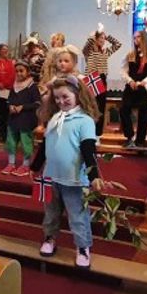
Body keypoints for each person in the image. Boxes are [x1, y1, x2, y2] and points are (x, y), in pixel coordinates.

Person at [31, 76, 104, 268]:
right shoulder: (54, 118)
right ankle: (49, 238)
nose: (61, 101)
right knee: (51, 213)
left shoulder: (85, 121)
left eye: (65, 97)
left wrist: (94, 176)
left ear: (78, 95)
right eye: (56, 98)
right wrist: (35, 167)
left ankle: (82, 247)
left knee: (78, 216)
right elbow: (45, 145)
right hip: (51, 176)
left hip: (74, 180)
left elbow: (89, 150)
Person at [120, 30, 147, 148]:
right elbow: (123, 70)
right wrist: (129, 80)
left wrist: (145, 81)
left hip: (145, 88)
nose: (136, 40)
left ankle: (140, 140)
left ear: (145, 38)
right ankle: (129, 136)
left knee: (144, 114)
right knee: (123, 109)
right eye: (134, 37)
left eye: (138, 37)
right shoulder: (130, 54)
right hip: (131, 87)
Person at [1, 60, 39, 176]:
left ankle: (26, 165)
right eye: (17, 71)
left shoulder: (32, 86)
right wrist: (10, 106)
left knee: (26, 142)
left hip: (26, 120)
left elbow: (37, 103)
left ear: (27, 72)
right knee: (11, 142)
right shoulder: (14, 85)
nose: (19, 73)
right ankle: (11, 163)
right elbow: (9, 100)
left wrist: (23, 107)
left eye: (21, 71)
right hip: (13, 119)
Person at [83, 25, 122, 136]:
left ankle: (98, 133)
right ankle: (88, 131)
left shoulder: (105, 52)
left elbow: (118, 44)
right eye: (100, 38)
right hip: (91, 78)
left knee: (100, 107)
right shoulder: (88, 52)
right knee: (90, 106)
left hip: (102, 78)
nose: (102, 40)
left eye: (103, 39)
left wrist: (107, 35)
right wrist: (96, 33)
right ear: (95, 39)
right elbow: (87, 45)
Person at [0, 44, 15, 142]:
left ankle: (5, 134)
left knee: (5, 112)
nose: (6, 51)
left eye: (7, 49)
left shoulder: (10, 63)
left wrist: (5, 84)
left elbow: (12, 75)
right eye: (4, 49)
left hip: (6, 90)